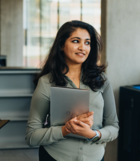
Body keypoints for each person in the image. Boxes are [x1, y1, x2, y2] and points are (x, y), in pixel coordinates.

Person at [26, 20, 119, 161]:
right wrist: (65, 130)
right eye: (76, 41)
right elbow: (32, 137)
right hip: (55, 156)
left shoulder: (102, 80)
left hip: (95, 157)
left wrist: (93, 134)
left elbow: (113, 127)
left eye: (87, 43)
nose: (83, 47)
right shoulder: (46, 82)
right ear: (62, 45)